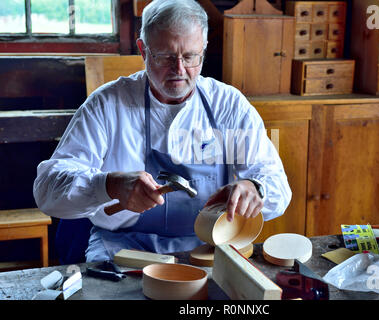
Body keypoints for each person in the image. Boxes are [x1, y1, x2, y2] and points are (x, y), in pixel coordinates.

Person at [33, 0, 291, 262]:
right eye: (166, 56)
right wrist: (108, 185)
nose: (179, 70)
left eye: (190, 56)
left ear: (203, 49)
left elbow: (277, 184)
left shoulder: (227, 105)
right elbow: (47, 189)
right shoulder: (108, 105)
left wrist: (255, 188)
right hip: (121, 249)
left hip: (207, 248)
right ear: (143, 50)